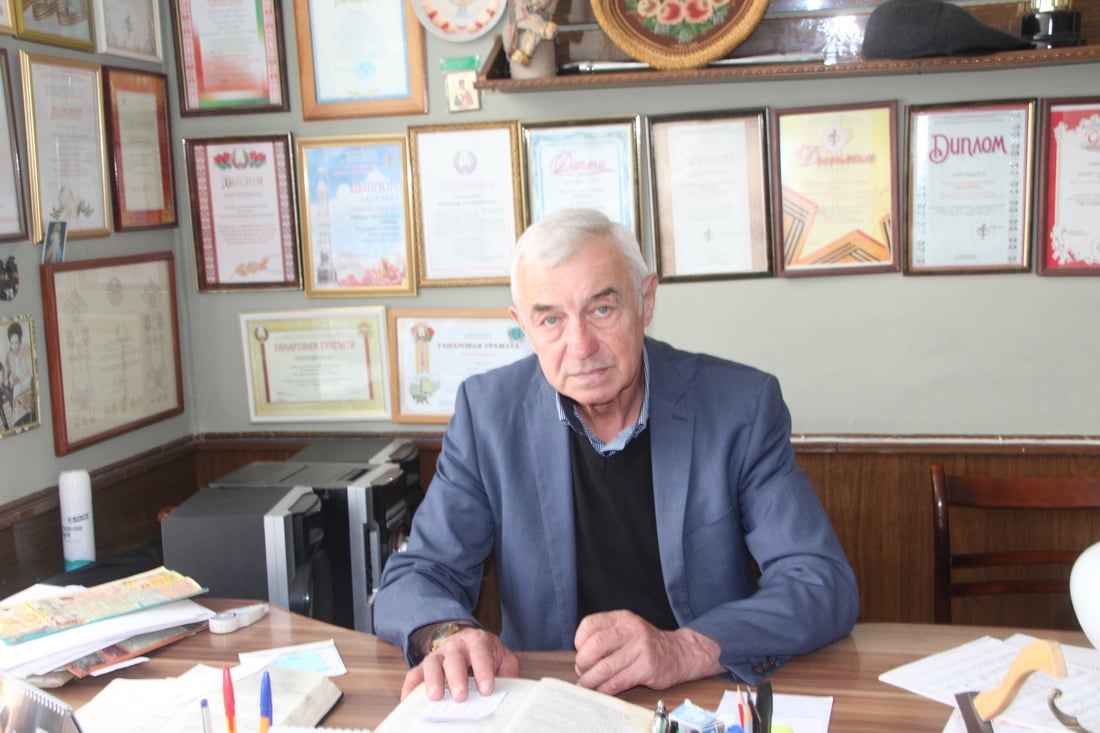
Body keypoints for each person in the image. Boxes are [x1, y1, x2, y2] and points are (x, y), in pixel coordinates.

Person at [374, 208, 859, 704]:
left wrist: (684, 648)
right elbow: (418, 574)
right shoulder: (488, 417)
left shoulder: (739, 408)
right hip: (551, 701)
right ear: (523, 327)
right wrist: (449, 636)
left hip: (700, 698)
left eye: (602, 309)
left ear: (645, 300)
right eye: (551, 319)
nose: (581, 345)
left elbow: (819, 581)